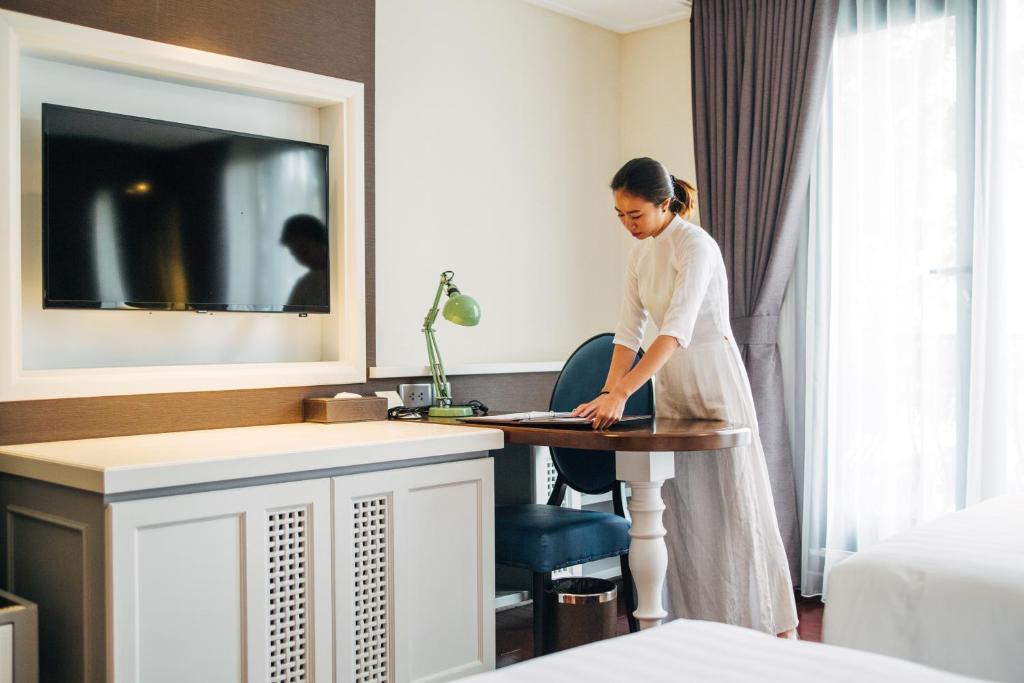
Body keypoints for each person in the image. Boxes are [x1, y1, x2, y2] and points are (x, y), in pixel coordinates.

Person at [572, 157, 798, 637]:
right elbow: (627, 333)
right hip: (672, 382)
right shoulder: (639, 257)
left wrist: (624, 391)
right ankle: (692, 624)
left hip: (713, 378)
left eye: (635, 214)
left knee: (734, 501)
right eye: (620, 215)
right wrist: (609, 391)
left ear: (665, 203)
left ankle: (761, 623)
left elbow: (676, 329)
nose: (628, 225)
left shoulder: (696, 245)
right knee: (686, 507)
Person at [280, 214, 329, 309]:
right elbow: (289, 315)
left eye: (304, 251)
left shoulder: (344, 278)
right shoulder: (306, 283)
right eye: (295, 253)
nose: (301, 259)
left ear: (322, 243)